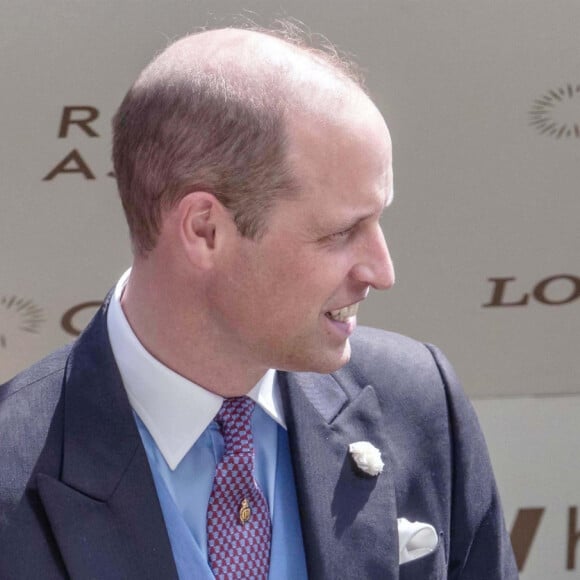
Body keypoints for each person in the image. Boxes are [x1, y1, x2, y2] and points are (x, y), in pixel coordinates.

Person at [0, 25, 517, 579]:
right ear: (204, 230)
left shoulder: (420, 402)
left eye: (378, 220)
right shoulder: (14, 466)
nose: (381, 271)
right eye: (341, 232)